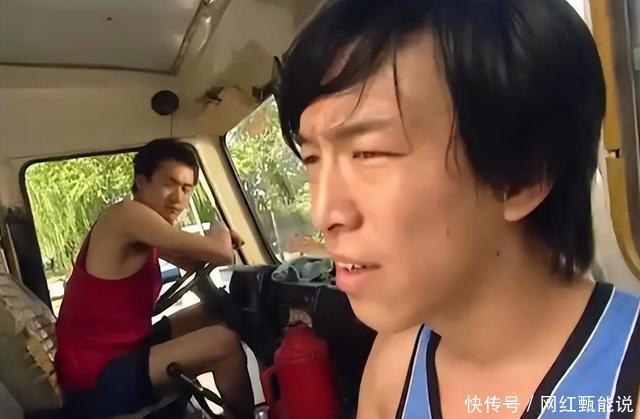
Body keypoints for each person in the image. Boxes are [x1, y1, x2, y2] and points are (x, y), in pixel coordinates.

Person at [276, 0, 640, 417]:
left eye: (369, 153)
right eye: (312, 159)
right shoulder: (395, 363)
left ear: (520, 177)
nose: (324, 213)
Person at [55, 139, 254, 418]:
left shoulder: (147, 232)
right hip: (96, 380)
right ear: (142, 181)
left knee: (211, 312)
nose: (178, 198)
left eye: (186, 189)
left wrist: (214, 245)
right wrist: (219, 227)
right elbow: (221, 254)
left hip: (122, 352)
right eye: (169, 184)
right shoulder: (126, 215)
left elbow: (195, 263)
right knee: (225, 343)